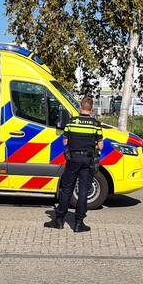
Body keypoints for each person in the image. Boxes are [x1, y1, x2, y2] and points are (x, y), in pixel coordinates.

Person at [45, 96, 103, 233]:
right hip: (87, 160)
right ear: (92, 109)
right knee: (83, 191)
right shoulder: (96, 125)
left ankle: (59, 220)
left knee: (67, 189)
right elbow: (100, 146)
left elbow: (65, 142)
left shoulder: (71, 122)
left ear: (80, 107)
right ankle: (78, 223)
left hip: (72, 159)